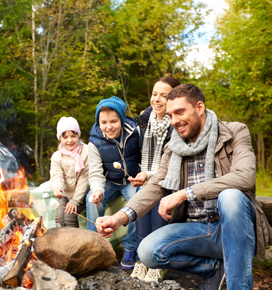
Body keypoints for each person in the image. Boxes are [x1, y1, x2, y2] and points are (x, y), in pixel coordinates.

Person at [95, 84, 272, 290]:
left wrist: (185, 194)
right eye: (170, 115)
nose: (174, 121)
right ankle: (213, 269)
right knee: (147, 251)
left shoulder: (235, 131)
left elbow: (244, 178)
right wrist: (118, 218)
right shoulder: (173, 146)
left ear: (199, 107)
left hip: (233, 228)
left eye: (180, 112)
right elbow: (155, 186)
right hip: (195, 229)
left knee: (230, 197)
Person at [129, 76, 180, 282]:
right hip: (145, 177)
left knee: (158, 218)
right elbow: (134, 152)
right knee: (141, 216)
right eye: (154, 94)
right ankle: (142, 260)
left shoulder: (176, 125)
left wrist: (148, 175)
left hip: (167, 181)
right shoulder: (144, 121)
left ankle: (158, 263)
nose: (157, 99)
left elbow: (171, 165)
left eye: (164, 96)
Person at [86, 96, 141, 270]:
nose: (108, 126)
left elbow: (145, 158)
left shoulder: (136, 133)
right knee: (92, 200)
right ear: (98, 123)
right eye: (103, 122)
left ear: (121, 119)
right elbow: (95, 173)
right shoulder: (94, 142)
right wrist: (97, 191)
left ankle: (130, 248)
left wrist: (141, 175)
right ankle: (94, 246)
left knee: (137, 203)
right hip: (109, 181)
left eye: (113, 121)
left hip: (132, 180)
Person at [50, 116, 89, 228]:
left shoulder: (86, 152)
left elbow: (84, 179)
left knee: (69, 214)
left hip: (81, 194)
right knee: (60, 217)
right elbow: (57, 175)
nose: (70, 140)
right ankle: (61, 241)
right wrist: (58, 188)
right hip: (65, 193)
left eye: (73, 136)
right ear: (60, 139)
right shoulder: (57, 156)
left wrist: (75, 201)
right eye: (65, 137)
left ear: (78, 135)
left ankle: (74, 242)